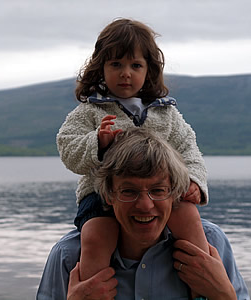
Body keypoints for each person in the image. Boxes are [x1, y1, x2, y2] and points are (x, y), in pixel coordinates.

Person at [56, 18, 209, 298]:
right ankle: (94, 292)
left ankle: (204, 287)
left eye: (135, 65)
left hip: (162, 194)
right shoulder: (90, 111)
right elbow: (67, 148)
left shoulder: (165, 113)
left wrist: (195, 181)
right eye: (116, 65)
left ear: (148, 70)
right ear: (100, 68)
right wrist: (97, 143)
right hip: (100, 195)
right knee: (97, 236)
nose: (125, 73)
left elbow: (189, 149)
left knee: (189, 217)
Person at [37, 128, 249, 300]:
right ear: (109, 195)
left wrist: (224, 295)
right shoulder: (69, 255)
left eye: (158, 190)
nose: (145, 205)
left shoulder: (211, 243)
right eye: (129, 191)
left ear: (174, 193)